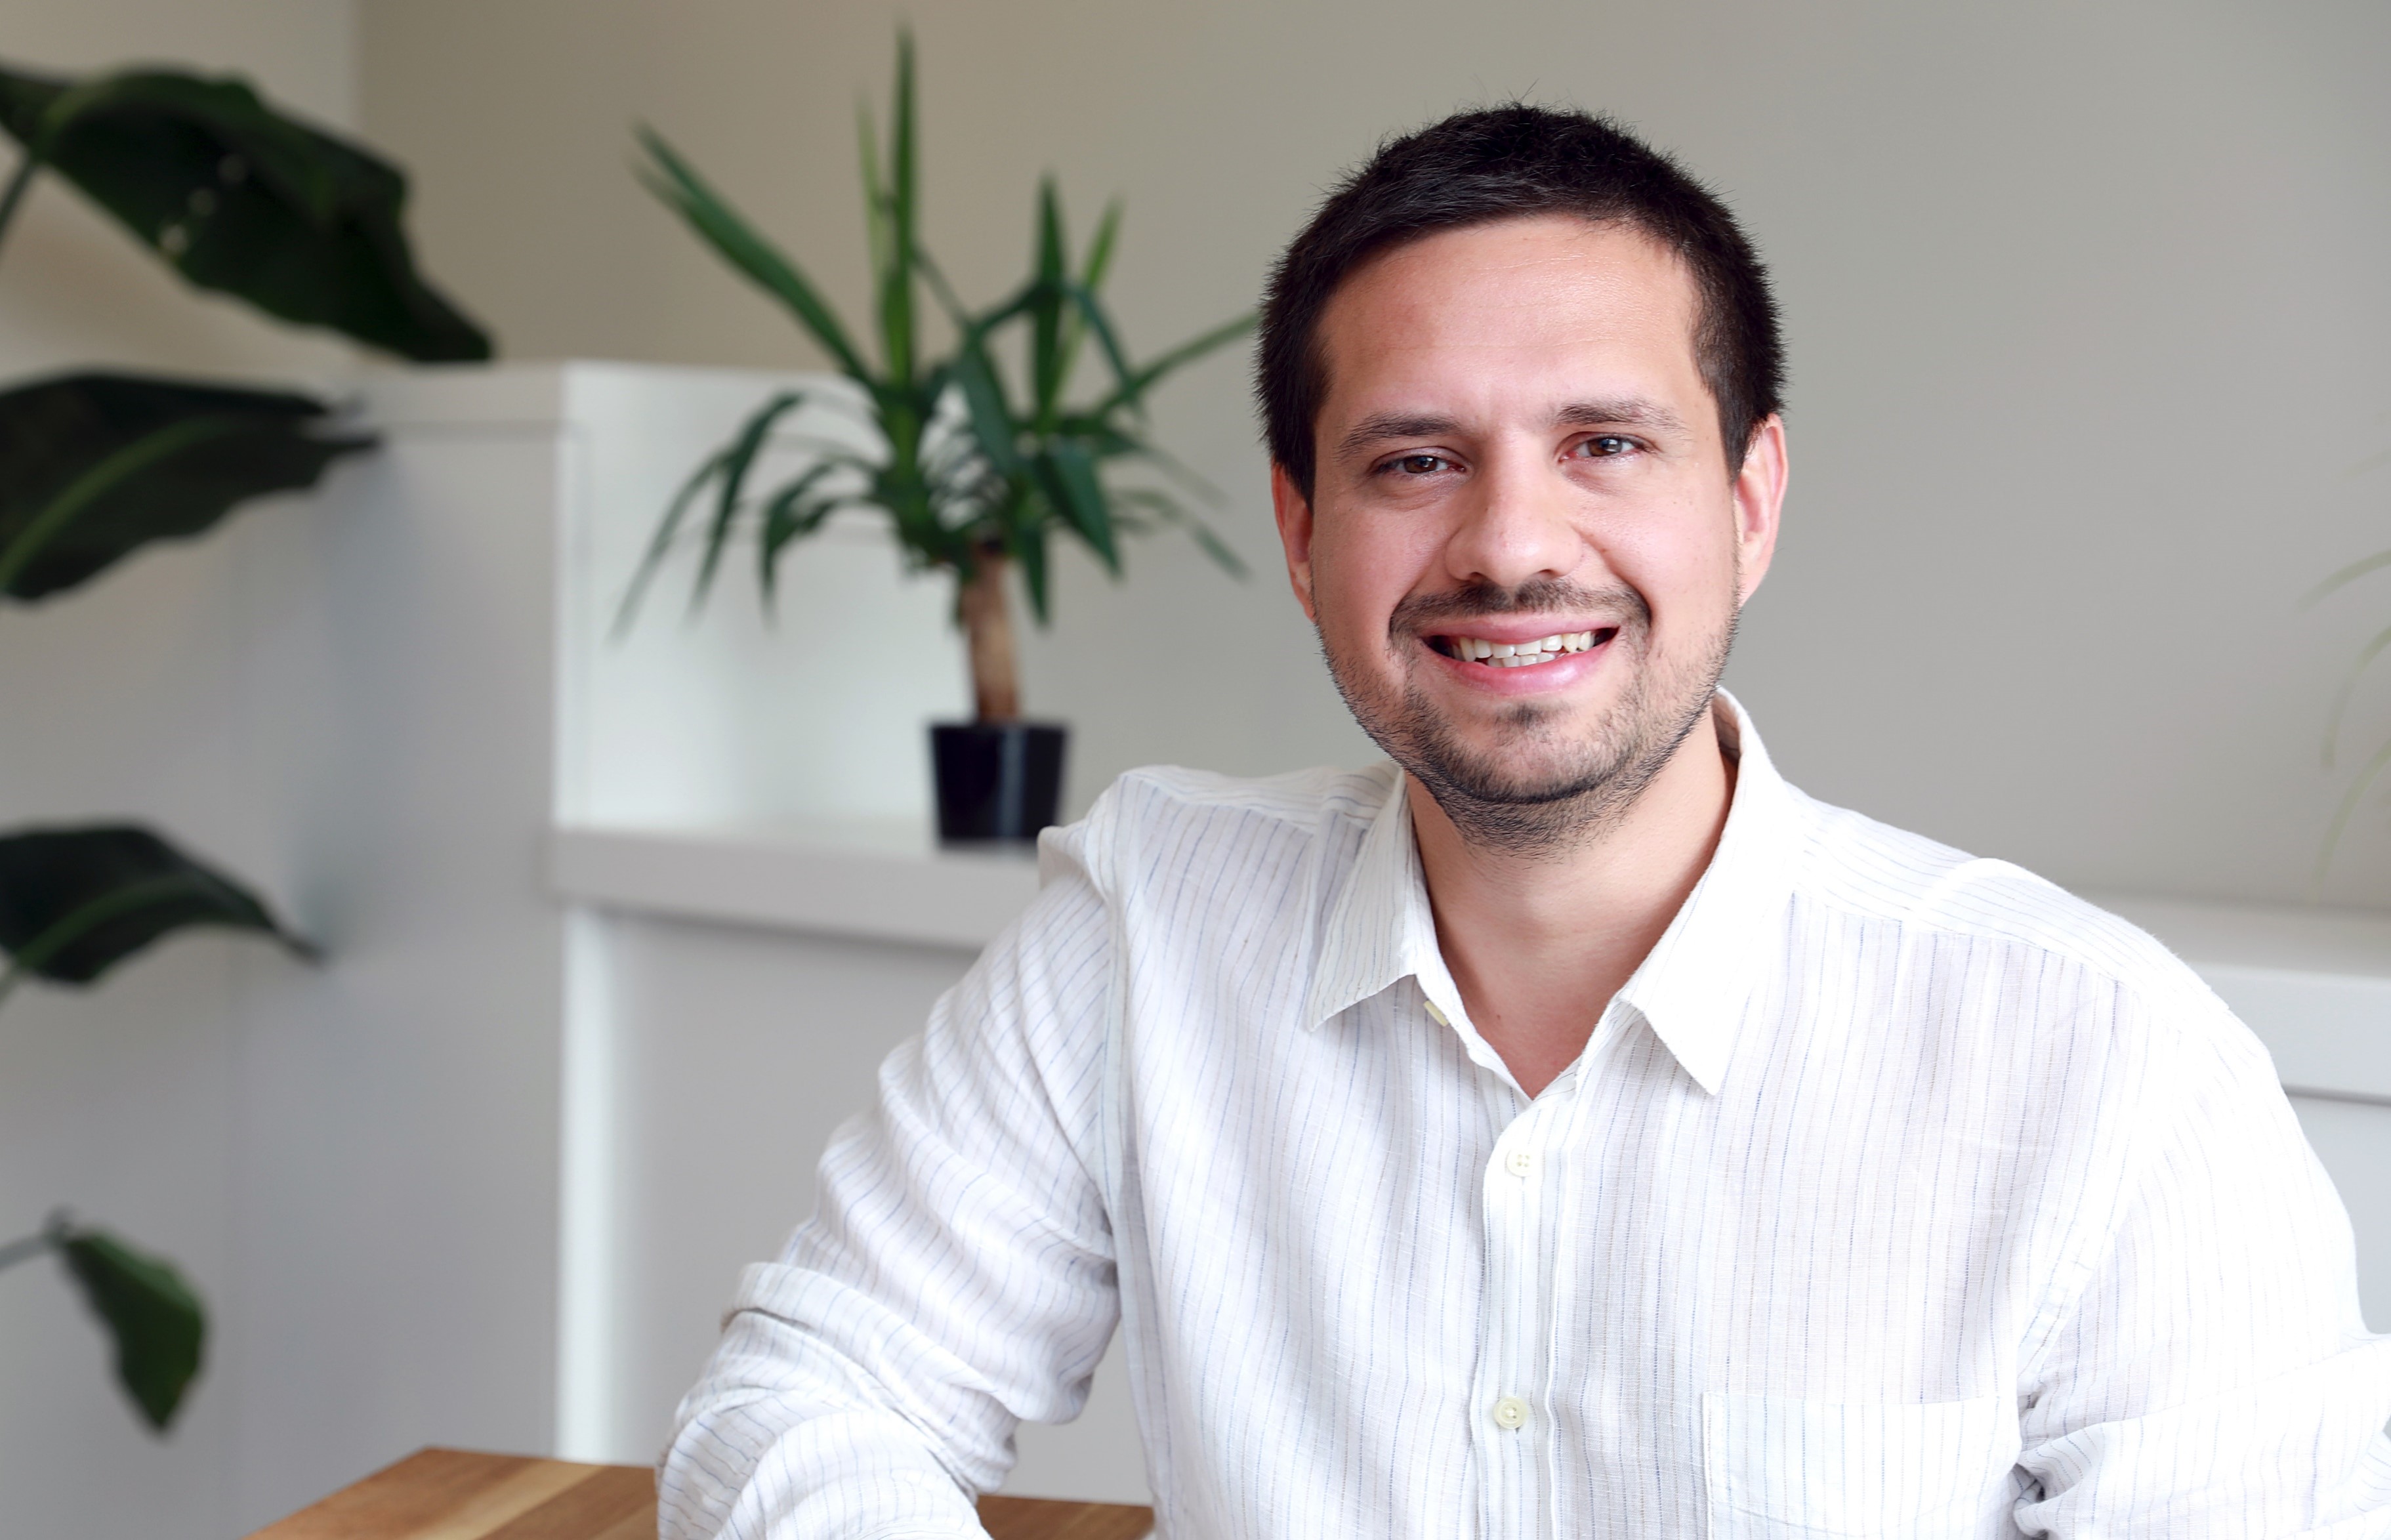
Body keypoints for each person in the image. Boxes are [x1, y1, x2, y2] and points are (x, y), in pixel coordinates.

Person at [658, 106, 2391, 1539]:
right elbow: (806, 1391)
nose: (1506, 543)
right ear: (1298, 525)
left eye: (1604, 444)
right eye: (1414, 459)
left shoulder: (2099, 1060)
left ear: (1749, 498)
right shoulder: (1147, 925)